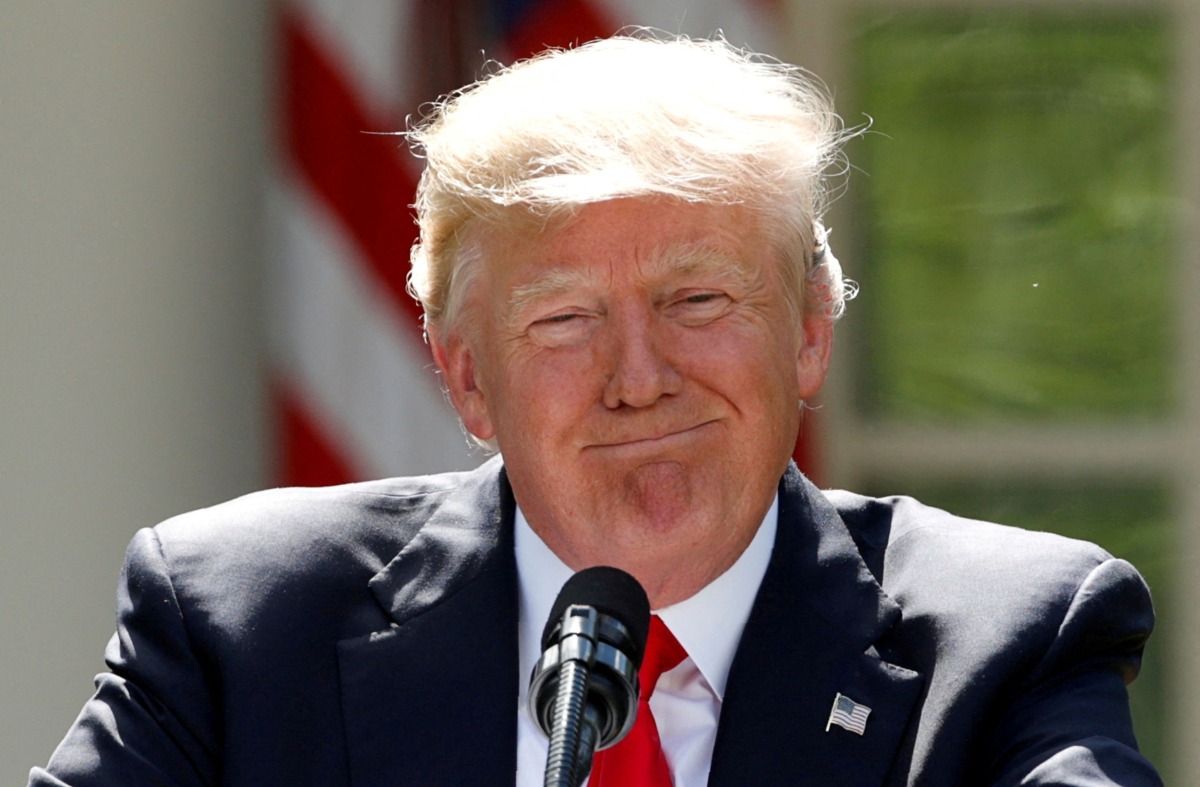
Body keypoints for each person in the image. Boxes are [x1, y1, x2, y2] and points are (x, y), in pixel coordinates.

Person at [31, 33, 1160, 786]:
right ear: (468, 379)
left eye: (698, 300)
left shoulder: (1005, 640)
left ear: (809, 332)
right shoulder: (243, 624)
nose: (639, 375)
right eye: (565, 319)